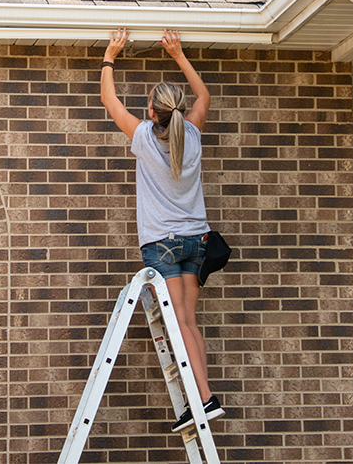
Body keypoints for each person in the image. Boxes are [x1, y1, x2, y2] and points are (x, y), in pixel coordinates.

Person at [99, 27, 224, 432]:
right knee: (188, 323)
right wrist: (179, 55)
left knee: (180, 326)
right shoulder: (192, 132)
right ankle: (203, 399)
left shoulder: (143, 138)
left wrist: (110, 56)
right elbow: (203, 97)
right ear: (178, 111)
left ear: (153, 113)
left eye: (148, 107)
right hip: (196, 242)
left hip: (164, 245)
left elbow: (108, 100)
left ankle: (204, 399)